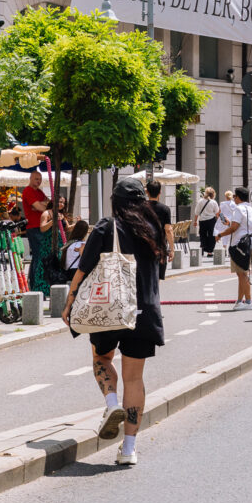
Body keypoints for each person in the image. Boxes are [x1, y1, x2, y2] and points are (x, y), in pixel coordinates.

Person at [62, 178, 168, 466]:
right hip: (143, 311)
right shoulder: (154, 229)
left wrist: (70, 303)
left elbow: (83, 268)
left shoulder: (107, 227)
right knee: (135, 377)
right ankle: (129, 449)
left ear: (115, 201)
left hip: (108, 307)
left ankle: (111, 404)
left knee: (101, 358)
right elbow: (160, 273)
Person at [216, 187, 252, 311]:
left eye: (235, 196)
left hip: (240, 245)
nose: (234, 198)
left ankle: (249, 301)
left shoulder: (238, 209)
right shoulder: (250, 208)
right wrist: (229, 223)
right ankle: (240, 301)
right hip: (251, 243)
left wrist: (219, 235)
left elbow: (234, 228)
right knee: (242, 274)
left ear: (238, 197)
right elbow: (241, 225)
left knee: (242, 275)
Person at [22, 170, 49, 295]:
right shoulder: (28, 191)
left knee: (39, 256)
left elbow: (47, 204)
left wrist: (41, 205)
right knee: (38, 256)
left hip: (41, 226)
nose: (38, 181)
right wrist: (40, 205)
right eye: (36, 179)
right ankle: (34, 284)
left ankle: (35, 283)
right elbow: (40, 207)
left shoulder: (39, 192)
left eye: (40, 179)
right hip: (34, 227)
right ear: (31, 178)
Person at [145, 179, 175, 280]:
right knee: (157, 277)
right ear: (160, 192)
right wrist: (172, 249)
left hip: (143, 245)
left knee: (144, 276)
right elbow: (168, 230)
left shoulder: (140, 208)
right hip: (159, 247)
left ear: (147, 192)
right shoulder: (165, 209)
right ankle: (155, 295)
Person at [192, 187, 220, 256]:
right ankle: (210, 252)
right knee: (211, 236)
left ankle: (202, 248)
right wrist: (222, 220)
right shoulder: (214, 202)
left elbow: (197, 212)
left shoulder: (200, 201)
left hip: (202, 221)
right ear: (213, 194)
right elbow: (217, 213)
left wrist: (195, 221)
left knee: (202, 235)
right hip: (211, 220)